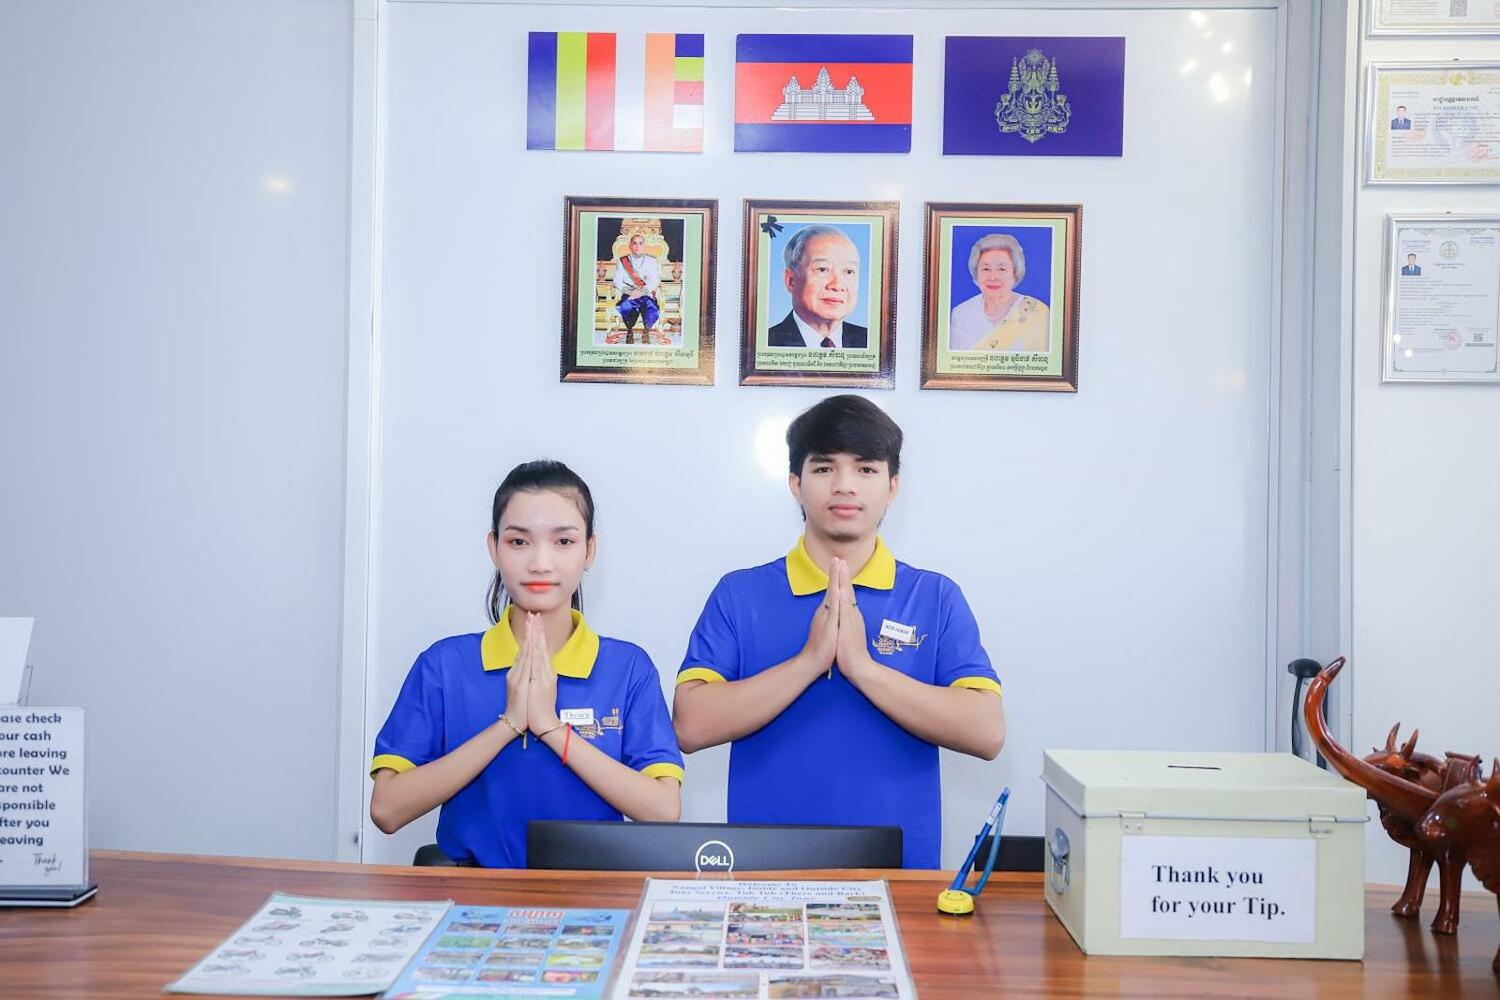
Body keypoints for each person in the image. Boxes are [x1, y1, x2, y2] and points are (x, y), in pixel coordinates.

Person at [672, 395, 1005, 869]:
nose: (845, 486)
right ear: (795, 484)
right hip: (762, 870)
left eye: (866, 469)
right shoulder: (740, 593)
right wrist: (809, 661)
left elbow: (987, 732)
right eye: (825, 468)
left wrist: (863, 668)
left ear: (892, 487)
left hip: (898, 867)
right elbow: (690, 724)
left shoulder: (934, 596)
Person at [369, 460, 683, 867]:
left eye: (563, 542)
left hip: (594, 903)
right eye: (519, 542)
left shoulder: (628, 668)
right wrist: (509, 723)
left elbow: (662, 809)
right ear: (493, 547)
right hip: (473, 901)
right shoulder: (445, 665)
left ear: (589, 550)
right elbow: (387, 809)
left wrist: (551, 728)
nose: (540, 562)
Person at [767, 225, 869, 349]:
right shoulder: (766, 343)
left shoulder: (872, 342)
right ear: (791, 281)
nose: (837, 286)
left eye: (848, 271)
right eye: (822, 269)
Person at [949, 233, 1051, 353]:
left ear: (1015, 274)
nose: (993, 277)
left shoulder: (1037, 312)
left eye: (1002, 269)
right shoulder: (961, 314)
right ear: (976, 273)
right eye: (986, 269)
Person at [613, 233, 661, 344]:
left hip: (645, 293)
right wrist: (630, 291)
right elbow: (617, 280)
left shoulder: (651, 260)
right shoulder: (623, 261)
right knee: (625, 306)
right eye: (634, 243)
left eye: (640, 243)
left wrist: (641, 292)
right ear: (630, 245)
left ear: (644, 245)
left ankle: (646, 330)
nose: (637, 246)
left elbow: (655, 280)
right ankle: (629, 331)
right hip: (630, 293)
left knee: (651, 306)